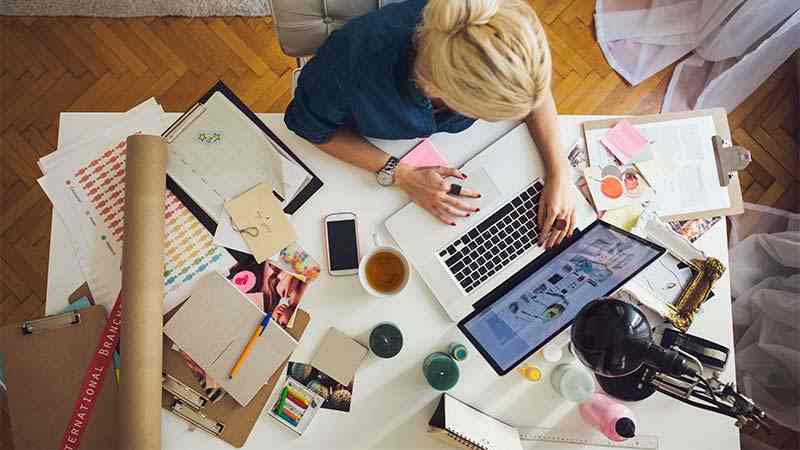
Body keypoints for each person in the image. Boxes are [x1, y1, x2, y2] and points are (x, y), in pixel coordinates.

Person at [285, 0, 575, 249]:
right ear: (436, 90)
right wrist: (401, 173)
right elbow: (310, 126)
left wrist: (559, 173)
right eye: (484, 114)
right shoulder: (349, 67)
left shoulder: (493, 19)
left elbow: (532, 94)